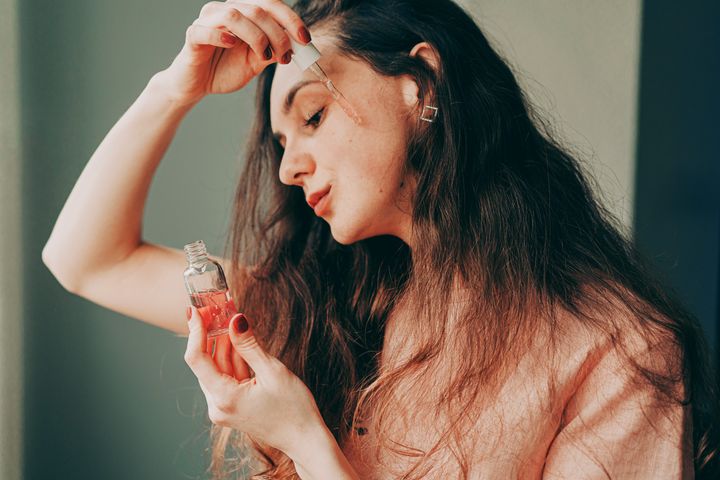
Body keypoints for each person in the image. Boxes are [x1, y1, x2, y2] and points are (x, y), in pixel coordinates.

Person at [42, 0, 720, 479]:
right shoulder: (324, 301)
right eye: (281, 143)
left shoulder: (619, 353)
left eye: (313, 116)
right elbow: (85, 260)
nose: (287, 169)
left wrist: (307, 442)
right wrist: (174, 88)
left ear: (419, 84)